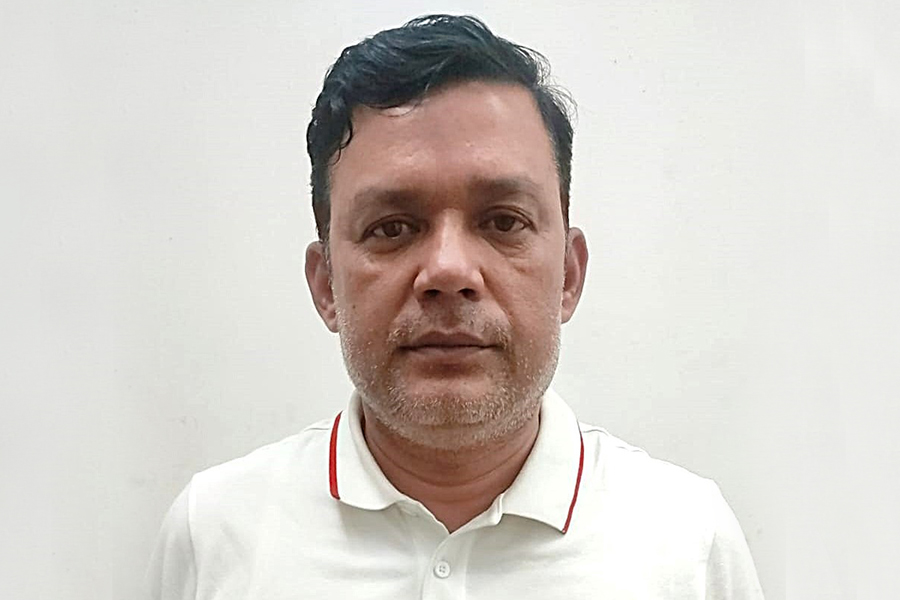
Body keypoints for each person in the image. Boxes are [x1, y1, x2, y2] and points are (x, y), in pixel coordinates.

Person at [148, 14, 764, 599]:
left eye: (503, 221)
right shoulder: (216, 535)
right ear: (326, 284)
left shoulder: (687, 543)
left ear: (569, 275)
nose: (448, 271)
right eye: (392, 228)